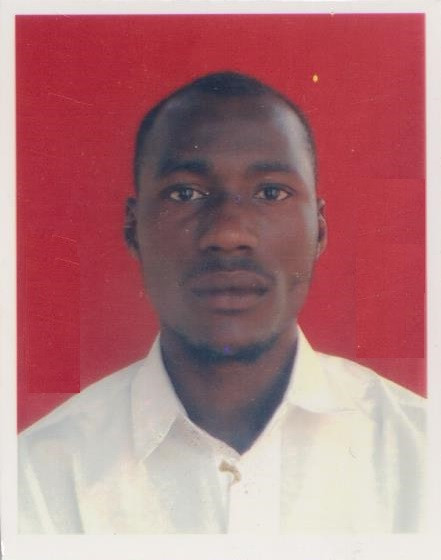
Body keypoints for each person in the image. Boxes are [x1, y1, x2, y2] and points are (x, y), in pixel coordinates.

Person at [18, 71, 425, 534]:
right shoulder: (37, 478)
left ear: (320, 229)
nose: (228, 233)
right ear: (133, 229)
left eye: (270, 192)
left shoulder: (421, 457)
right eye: (185, 193)